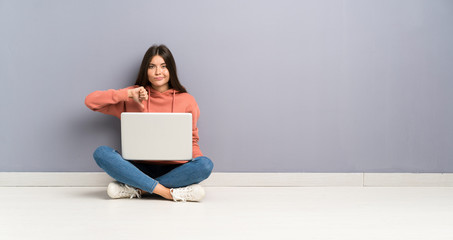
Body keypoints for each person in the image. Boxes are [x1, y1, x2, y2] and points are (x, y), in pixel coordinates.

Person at [85, 44, 213, 202]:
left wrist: (196, 165)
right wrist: (128, 93)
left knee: (206, 165)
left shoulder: (187, 100)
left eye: (163, 66)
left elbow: (192, 140)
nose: (158, 72)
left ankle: (139, 189)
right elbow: (91, 101)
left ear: (170, 69)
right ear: (145, 70)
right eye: (152, 66)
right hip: (138, 167)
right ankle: (168, 192)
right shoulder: (133, 95)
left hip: (174, 168)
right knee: (101, 153)